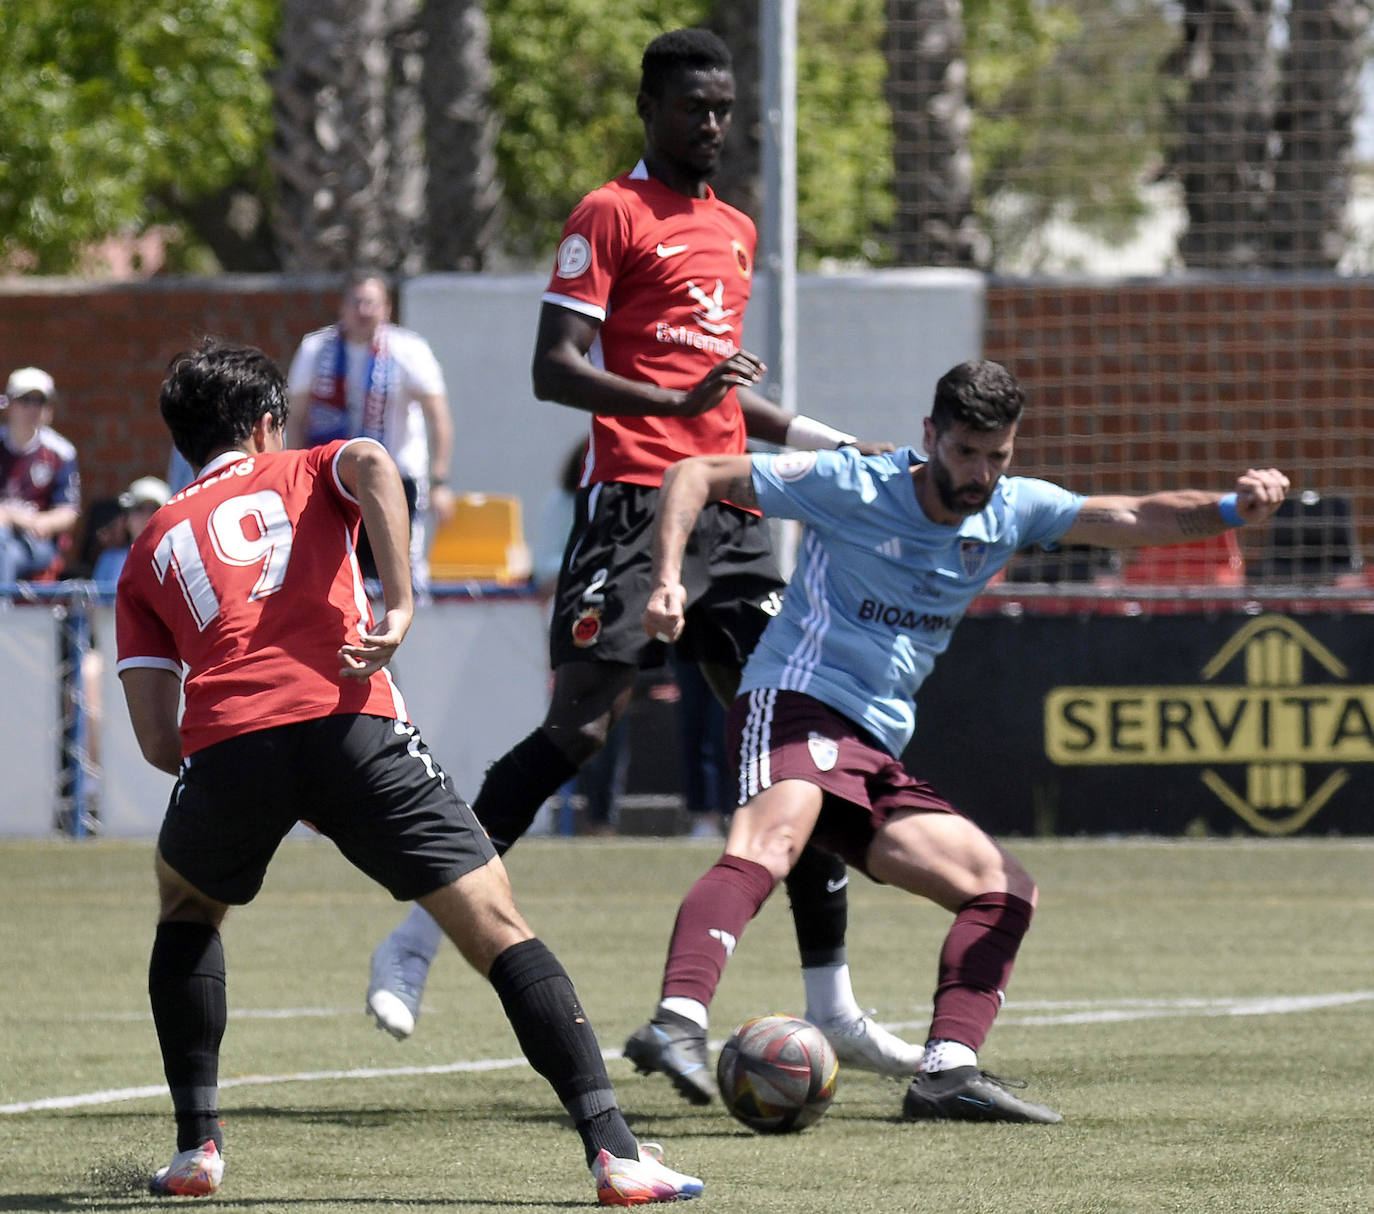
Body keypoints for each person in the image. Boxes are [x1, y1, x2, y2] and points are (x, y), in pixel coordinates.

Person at [364, 27, 924, 1089]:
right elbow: (554, 368)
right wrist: (671, 404)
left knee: (793, 749)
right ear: (650, 110)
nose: (712, 124)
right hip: (631, 511)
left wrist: (825, 442)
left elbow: (721, 391)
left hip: (735, 510)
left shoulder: (735, 228)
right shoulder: (607, 215)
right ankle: (417, 935)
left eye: (723, 109)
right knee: (574, 733)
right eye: (693, 108)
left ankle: (833, 1004)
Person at [114, 338, 702, 1205]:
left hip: (230, 741)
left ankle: (197, 1148)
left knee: (188, 903)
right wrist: (398, 603)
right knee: (495, 924)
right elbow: (375, 459)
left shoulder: (149, 544)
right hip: (353, 720)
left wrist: (242, 764)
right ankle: (615, 1155)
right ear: (267, 424)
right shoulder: (310, 464)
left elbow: (159, 742)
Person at [625, 358, 1290, 1122]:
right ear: (930, 436)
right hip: (797, 702)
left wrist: (1235, 509)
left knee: (1002, 889)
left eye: (997, 456)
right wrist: (667, 580)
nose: (979, 473)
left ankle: (947, 1071)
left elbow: (1138, 515)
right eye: (965, 452)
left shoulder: (1011, 509)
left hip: (875, 745)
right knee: (770, 846)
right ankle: (677, 1020)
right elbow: (694, 473)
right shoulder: (854, 484)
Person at [286, 270, 455, 593]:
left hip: (395, 476)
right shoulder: (315, 348)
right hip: (331, 476)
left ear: (387, 309)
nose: (364, 311)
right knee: (332, 568)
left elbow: (438, 415)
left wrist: (439, 481)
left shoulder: (408, 349)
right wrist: (295, 473)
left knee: (397, 565)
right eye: (357, 302)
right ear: (343, 308)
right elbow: (297, 416)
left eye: (371, 303)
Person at [0, 367, 81, 585]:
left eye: (41, 401)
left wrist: (38, 521)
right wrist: (7, 516)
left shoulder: (61, 452)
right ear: (8, 404)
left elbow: (68, 511)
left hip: (36, 543)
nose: (33, 408)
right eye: (25, 400)